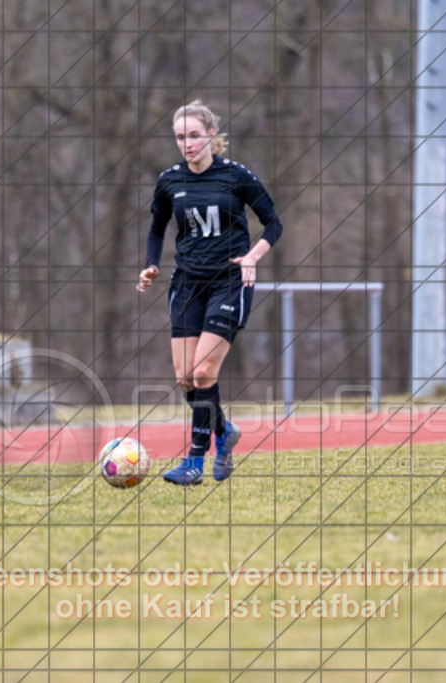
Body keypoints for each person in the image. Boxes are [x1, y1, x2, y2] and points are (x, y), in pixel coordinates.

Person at [137, 99, 284, 485]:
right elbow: (156, 228)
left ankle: (194, 462)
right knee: (186, 377)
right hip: (187, 284)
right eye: (180, 137)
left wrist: (252, 257)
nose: (187, 144)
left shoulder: (236, 176)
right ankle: (224, 430)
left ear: (211, 136)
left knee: (204, 372)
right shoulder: (170, 181)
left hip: (230, 282)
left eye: (194, 135)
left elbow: (273, 223)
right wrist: (151, 264)